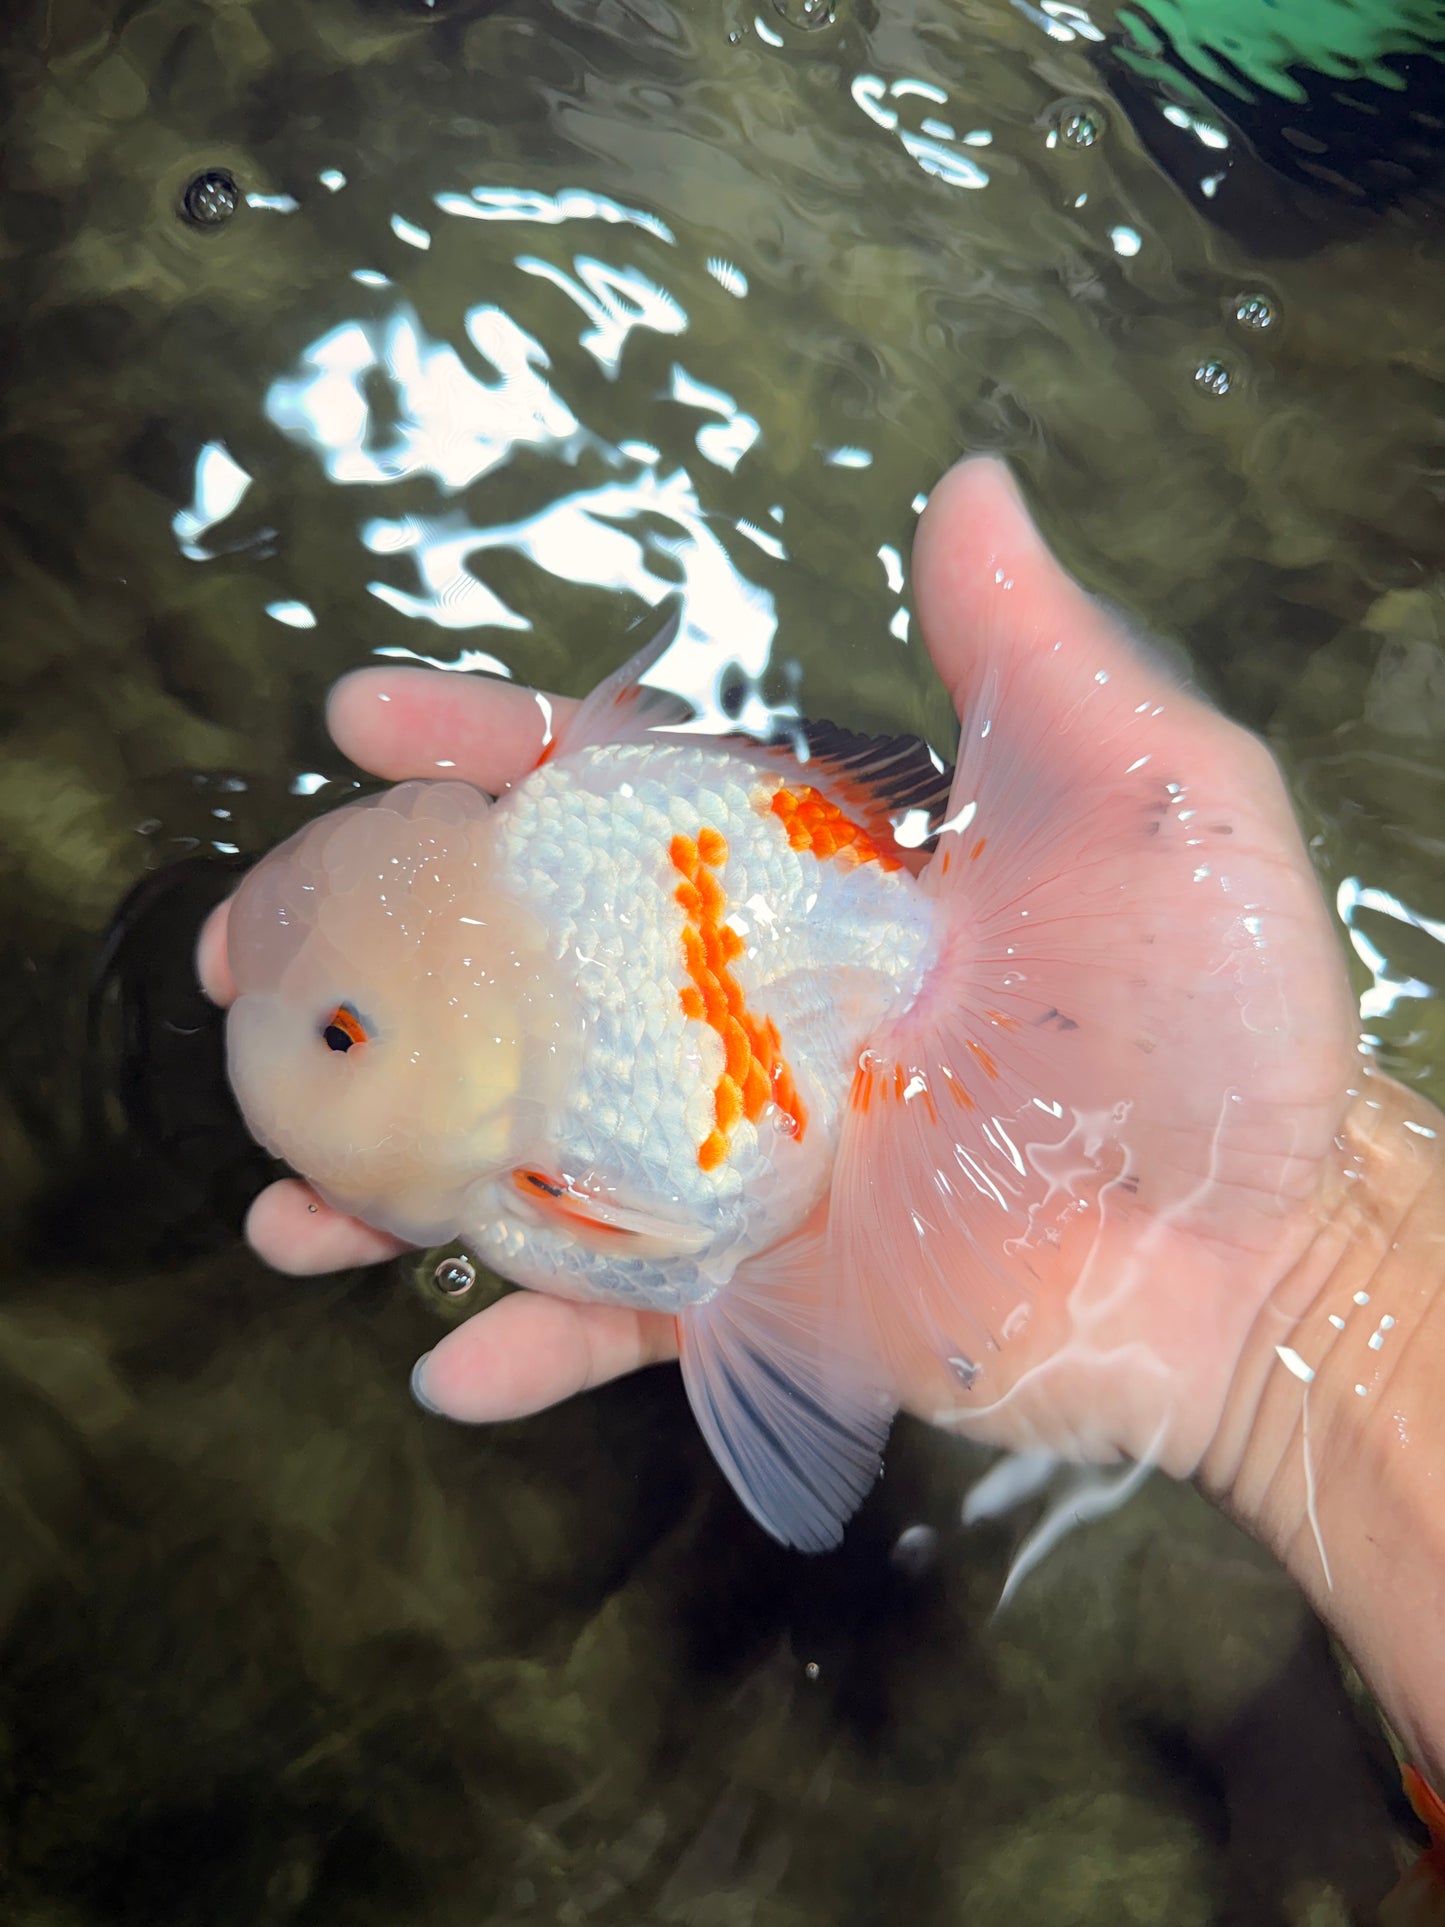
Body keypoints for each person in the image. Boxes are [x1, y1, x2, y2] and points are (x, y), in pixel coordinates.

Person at [197, 457, 1445, 1802]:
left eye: (339, 1035)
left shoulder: (542, 1163)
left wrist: (1292, 1278)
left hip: (833, 949)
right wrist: (1313, 1282)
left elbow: (709, 1263)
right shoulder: (540, 950)